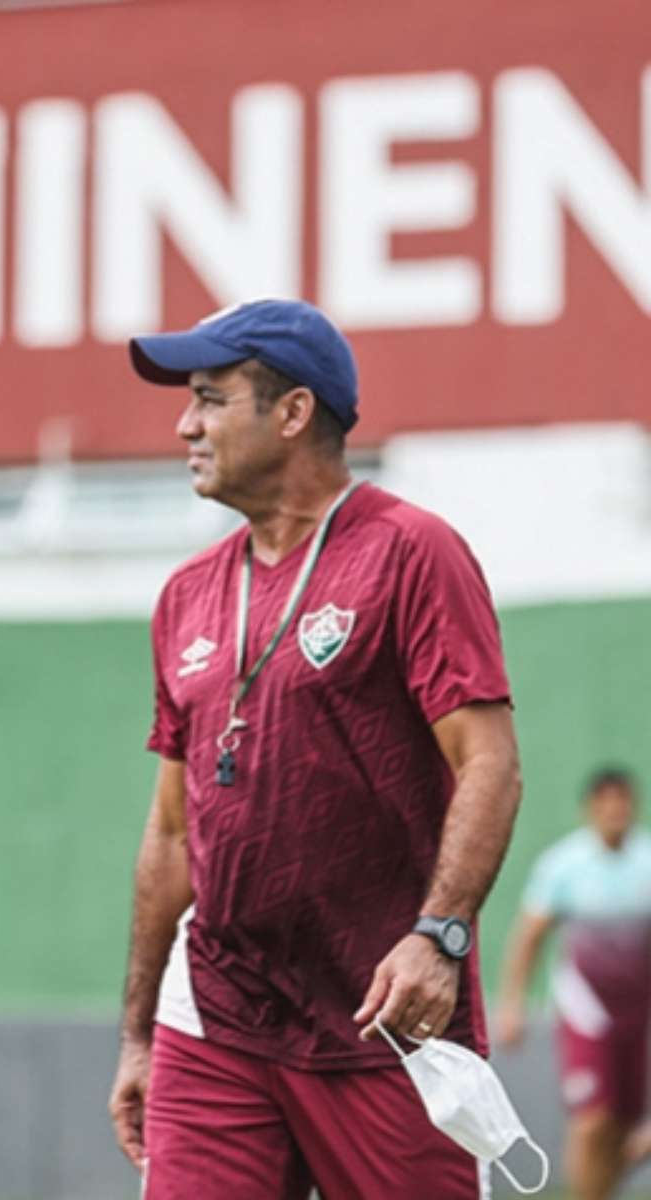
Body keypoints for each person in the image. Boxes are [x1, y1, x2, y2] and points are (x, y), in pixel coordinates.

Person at [106, 299, 523, 1199]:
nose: (186, 424)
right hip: (216, 1019)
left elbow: (488, 763)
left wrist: (439, 937)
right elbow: (173, 834)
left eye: (212, 399)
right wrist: (139, 1032)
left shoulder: (413, 554)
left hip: (388, 1018)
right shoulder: (185, 596)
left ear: (292, 414)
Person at [497, 766, 651, 1200]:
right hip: (587, 1011)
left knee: (624, 1127)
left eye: (622, 801)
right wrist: (513, 1004)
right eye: (605, 802)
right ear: (591, 809)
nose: (614, 810)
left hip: (636, 1013)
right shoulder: (564, 865)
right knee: (591, 1119)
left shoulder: (647, 861)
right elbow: (529, 937)